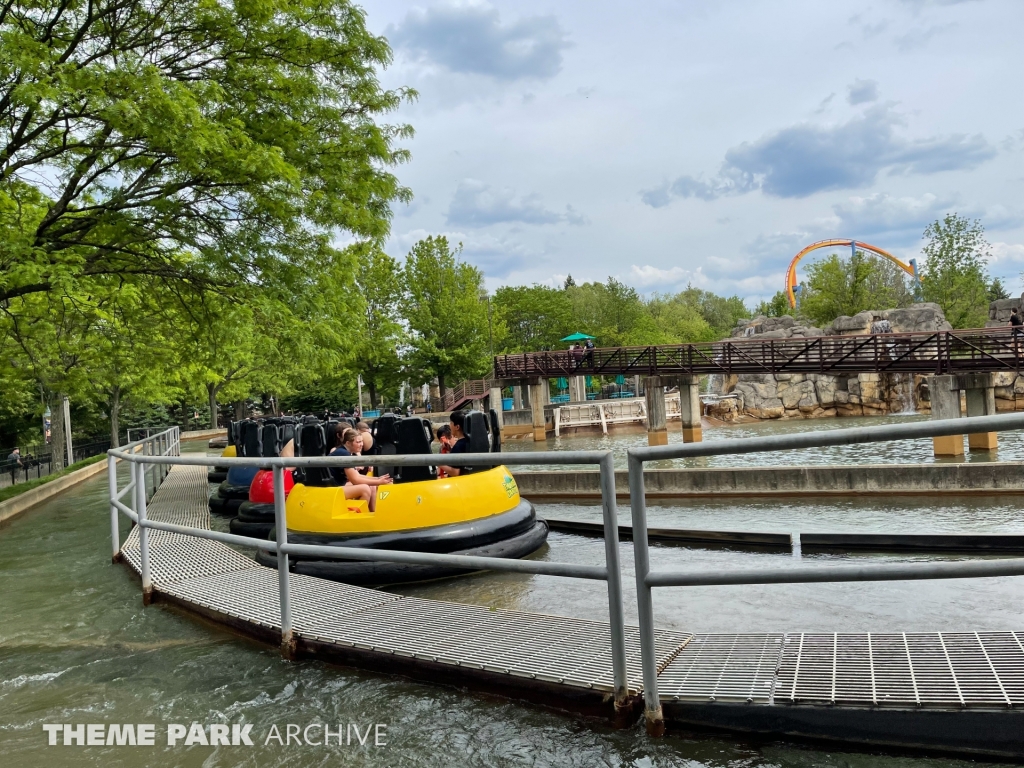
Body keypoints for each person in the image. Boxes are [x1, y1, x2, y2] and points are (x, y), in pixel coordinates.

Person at [328, 426, 391, 512]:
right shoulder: (344, 454)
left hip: (337, 485)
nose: (362, 444)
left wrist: (378, 479)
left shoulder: (345, 452)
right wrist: (379, 482)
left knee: (372, 486)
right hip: (331, 489)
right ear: (348, 443)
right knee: (364, 489)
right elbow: (355, 480)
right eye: (358, 442)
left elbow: (357, 475)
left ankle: (373, 513)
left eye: (362, 441)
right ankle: (358, 515)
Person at [437, 411, 470, 477]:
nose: (450, 425)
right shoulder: (469, 442)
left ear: (457, 427)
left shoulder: (458, 447)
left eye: (451, 423)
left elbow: (455, 473)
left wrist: (439, 463)